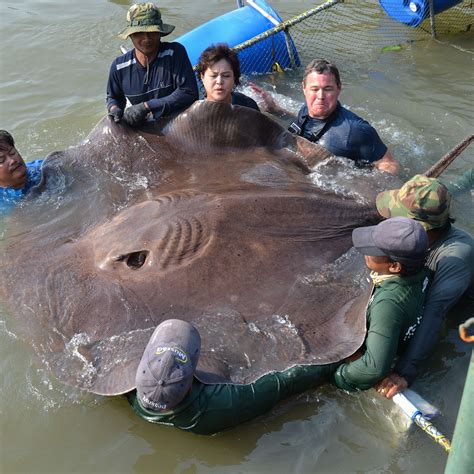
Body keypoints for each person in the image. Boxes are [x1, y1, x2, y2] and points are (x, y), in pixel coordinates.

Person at [127, 319, 338, 435]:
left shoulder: (127, 391)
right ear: (189, 385)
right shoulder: (225, 402)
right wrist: (337, 359)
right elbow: (285, 382)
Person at [373, 175, 473, 398]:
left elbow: (435, 313)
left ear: (423, 228)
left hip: (460, 313)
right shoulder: (417, 241)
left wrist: (404, 372)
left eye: (398, 217)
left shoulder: (455, 257)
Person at [331, 217, 430, 392]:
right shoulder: (424, 271)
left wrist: (341, 376)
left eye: (372, 250)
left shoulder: (387, 304)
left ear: (394, 267)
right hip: (396, 332)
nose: (366, 253)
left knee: (289, 378)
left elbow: (374, 368)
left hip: (371, 356)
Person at [250, 59, 399, 175]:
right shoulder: (305, 110)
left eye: (328, 89)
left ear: (339, 89)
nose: (320, 96)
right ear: (304, 88)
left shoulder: (356, 130)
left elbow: (389, 164)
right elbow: (303, 124)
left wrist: (363, 185)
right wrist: (274, 109)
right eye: (314, 89)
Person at [106, 3, 199, 127]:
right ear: (131, 35)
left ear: (160, 32)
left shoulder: (174, 54)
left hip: (176, 124)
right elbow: (113, 97)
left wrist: (147, 106)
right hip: (143, 124)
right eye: (140, 33)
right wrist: (114, 109)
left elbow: (188, 92)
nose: (147, 38)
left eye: (152, 32)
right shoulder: (119, 67)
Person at [196, 44, 260, 111]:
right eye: (213, 76)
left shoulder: (248, 106)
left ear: (234, 77)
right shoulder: (194, 115)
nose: (219, 81)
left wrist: (270, 109)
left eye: (226, 76)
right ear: (202, 77)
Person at [0, 130, 43, 211]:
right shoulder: (2, 203)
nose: (12, 160)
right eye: (1, 160)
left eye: (12, 152)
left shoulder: (41, 167)